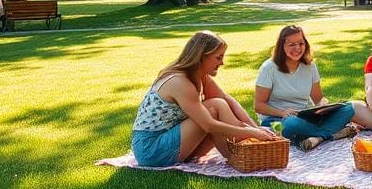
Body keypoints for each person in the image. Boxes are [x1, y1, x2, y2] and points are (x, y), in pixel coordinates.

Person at [131, 31, 278, 167]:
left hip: (176, 142)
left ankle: (246, 150)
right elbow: (208, 125)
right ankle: (234, 157)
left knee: (219, 104)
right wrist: (252, 133)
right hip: (151, 150)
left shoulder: (200, 76)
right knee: (214, 108)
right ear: (201, 57)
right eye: (218, 57)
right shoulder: (179, 82)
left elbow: (228, 100)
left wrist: (255, 128)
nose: (222, 63)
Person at [254, 25, 356, 150]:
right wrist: (283, 113)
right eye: (292, 44)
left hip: (305, 116)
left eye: (301, 43)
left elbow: (318, 98)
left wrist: (324, 106)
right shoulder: (268, 68)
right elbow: (259, 106)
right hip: (277, 118)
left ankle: (319, 137)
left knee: (348, 108)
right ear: (282, 45)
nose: (297, 48)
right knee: (291, 124)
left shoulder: (310, 67)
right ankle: (331, 133)